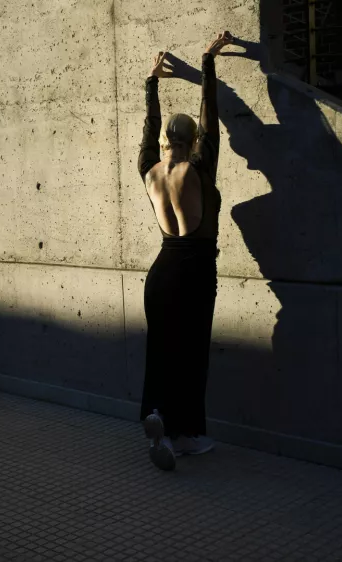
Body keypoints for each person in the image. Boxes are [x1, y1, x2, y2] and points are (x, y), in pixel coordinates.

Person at [137, 32, 234, 471]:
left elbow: (146, 135)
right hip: (195, 271)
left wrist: (152, 84)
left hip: (161, 272)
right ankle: (187, 435)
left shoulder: (150, 171)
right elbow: (210, 116)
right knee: (191, 355)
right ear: (193, 140)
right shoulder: (200, 166)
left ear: (163, 141)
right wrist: (208, 62)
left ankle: (158, 416)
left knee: (161, 349)